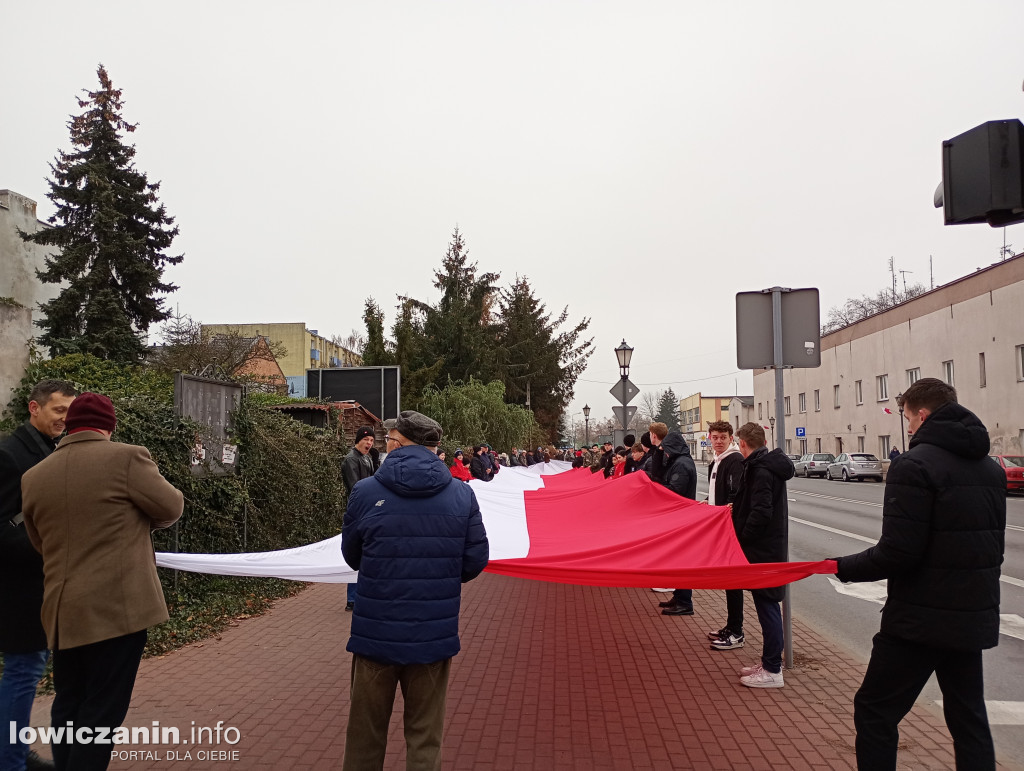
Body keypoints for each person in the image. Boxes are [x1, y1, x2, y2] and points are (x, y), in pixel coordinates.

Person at [832, 379, 1004, 770]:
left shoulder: (913, 465)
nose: (907, 427)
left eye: (908, 418)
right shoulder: (989, 469)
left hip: (919, 619)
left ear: (922, 415)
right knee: (969, 718)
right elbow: (991, 547)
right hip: (971, 614)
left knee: (875, 711)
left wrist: (843, 567)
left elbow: (898, 553)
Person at [21, 393, 183, 771]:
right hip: (116, 610)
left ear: (70, 426)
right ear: (109, 426)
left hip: (62, 612)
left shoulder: (34, 476)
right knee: (102, 710)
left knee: (69, 701)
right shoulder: (126, 457)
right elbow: (171, 506)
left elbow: (38, 541)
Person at [341, 410, 489, 770]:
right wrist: (439, 578)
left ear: (399, 442)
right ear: (434, 447)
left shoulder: (366, 491)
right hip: (432, 635)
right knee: (425, 737)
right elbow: (475, 560)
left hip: (375, 633)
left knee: (364, 736)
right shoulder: (461, 495)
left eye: (388, 439)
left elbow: (352, 555)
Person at [0, 380, 77, 771]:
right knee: (23, 672)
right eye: (58, 410)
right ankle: (10, 761)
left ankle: (14, 751)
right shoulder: (10, 455)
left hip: (43, 587)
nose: (65, 418)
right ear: (34, 408)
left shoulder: (51, 450)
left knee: (28, 672)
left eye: (70, 411)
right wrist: (47, 548)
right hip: (20, 590)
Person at [731, 422, 794, 689]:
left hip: (764, 550)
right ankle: (769, 663)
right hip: (768, 548)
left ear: (743, 443)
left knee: (768, 605)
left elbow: (761, 512)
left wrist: (741, 535)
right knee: (765, 604)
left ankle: (772, 670)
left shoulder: (761, 470)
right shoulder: (764, 466)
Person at [702, 421, 747, 651]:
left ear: (731, 438)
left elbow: (735, 494)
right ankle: (731, 625)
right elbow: (718, 493)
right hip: (720, 525)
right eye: (715, 437)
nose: (718, 441)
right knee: (729, 580)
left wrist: (723, 508)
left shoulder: (735, 460)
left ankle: (737, 631)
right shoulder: (716, 461)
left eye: (723, 437)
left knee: (734, 579)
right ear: (710, 438)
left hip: (730, 527)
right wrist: (709, 505)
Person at [657, 430, 698, 617]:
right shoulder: (679, 461)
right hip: (680, 517)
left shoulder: (681, 465)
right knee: (678, 560)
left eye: (666, 449)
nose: (664, 453)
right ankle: (679, 596)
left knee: (682, 561)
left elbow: (675, 491)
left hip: (681, 517)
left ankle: (684, 601)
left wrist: (655, 489)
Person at [341, 426, 376, 612]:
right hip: (357, 513)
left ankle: (363, 594)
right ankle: (352, 599)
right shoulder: (350, 459)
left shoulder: (367, 458)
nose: (369, 443)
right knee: (355, 553)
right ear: (358, 440)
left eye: (371, 440)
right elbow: (355, 488)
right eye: (366, 440)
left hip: (368, 511)